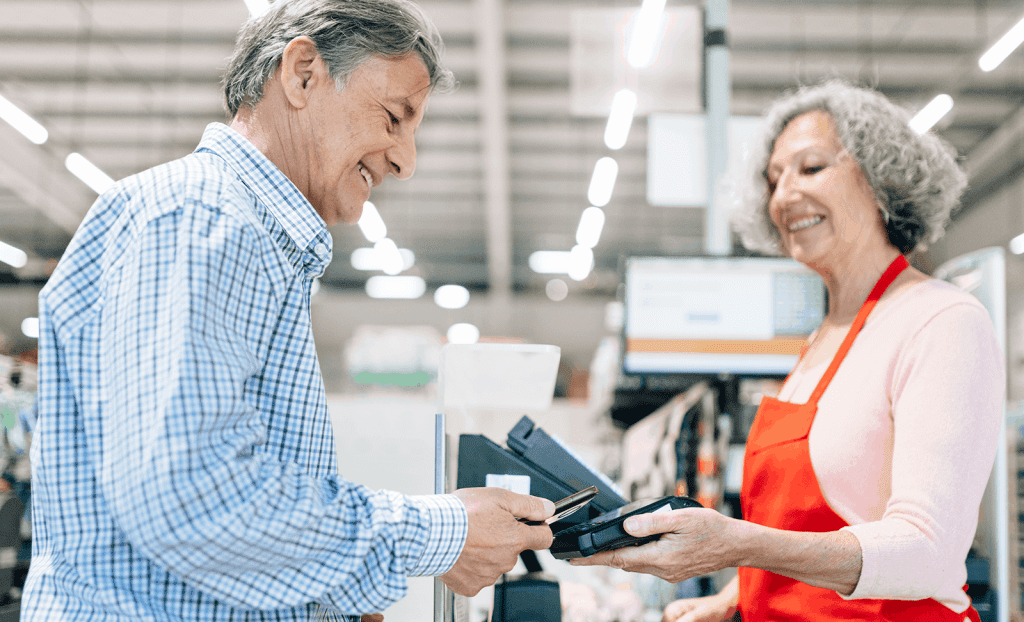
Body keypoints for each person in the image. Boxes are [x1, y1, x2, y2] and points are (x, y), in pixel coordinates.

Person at [21, 1, 555, 620]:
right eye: (393, 118)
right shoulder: (203, 219)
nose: (406, 161)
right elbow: (192, 498)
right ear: (302, 73)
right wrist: (439, 531)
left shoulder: (251, 240)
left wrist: (327, 598)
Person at [570, 80, 1004, 622]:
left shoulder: (941, 321)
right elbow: (806, 535)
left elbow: (928, 553)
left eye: (811, 167)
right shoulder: (821, 340)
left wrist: (738, 544)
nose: (783, 196)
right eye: (774, 180)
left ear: (880, 177)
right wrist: (731, 600)